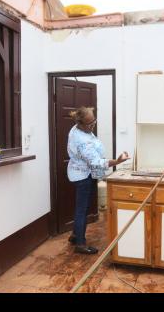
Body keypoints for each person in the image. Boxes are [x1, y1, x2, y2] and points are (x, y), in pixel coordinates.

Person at [67, 106, 129, 254]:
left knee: (82, 207)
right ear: (80, 123)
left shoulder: (77, 128)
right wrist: (118, 161)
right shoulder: (82, 141)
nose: (93, 125)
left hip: (82, 173)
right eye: (89, 124)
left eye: (94, 121)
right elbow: (96, 162)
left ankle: (75, 235)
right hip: (83, 177)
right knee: (82, 209)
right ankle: (80, 244)